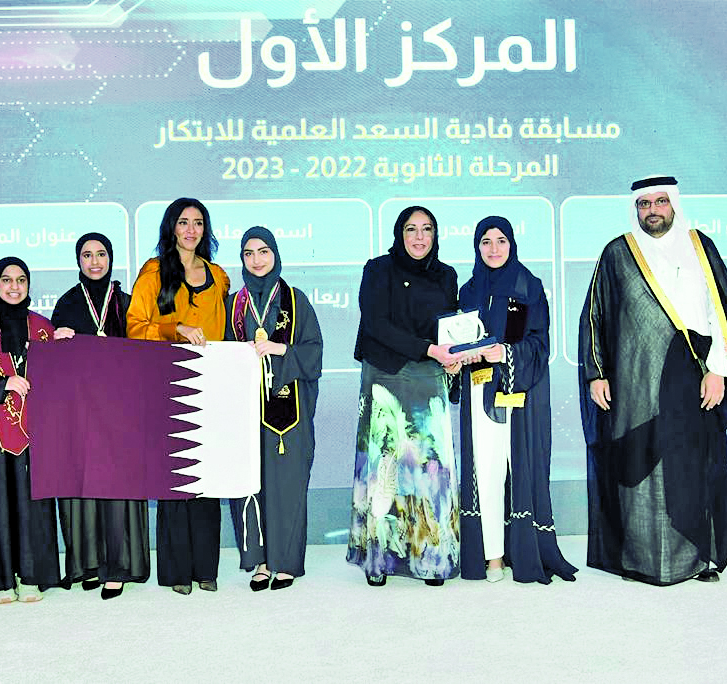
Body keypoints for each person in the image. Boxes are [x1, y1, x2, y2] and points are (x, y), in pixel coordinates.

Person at [579, 176, 727, 585]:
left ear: (673, 204)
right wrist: (597, 374)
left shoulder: (700, 247)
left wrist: (718, 370)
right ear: (636, 209)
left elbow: (722, 312)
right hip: (635, 381)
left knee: (693, 464)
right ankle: (640, 560)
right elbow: (595, 316)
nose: (652, 210)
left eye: (660, 202)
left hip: (694, 376)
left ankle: (698, 559)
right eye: (644, 204)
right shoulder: (618, 252)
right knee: (639, 463)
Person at [346, 205, 463, 587]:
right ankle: (379, 558)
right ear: (399, 234)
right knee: (385, 467)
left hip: (429, 379)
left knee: (430, 467)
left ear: (435, 235)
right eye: (411, 229)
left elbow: (448, 328)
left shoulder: (446, 275)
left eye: (427, 229)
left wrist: (455, 357)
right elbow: (375, 324)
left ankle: (431, 556)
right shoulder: (378, 269)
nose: (419, 237)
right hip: (385, 375)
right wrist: (430, 349)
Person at [456, 216, 577, 584]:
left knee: (517, 467)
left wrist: (505, 354)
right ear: (477, 247)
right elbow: (457, 338)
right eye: (486, 242)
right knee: (485, 469)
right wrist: (458, 357)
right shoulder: (468, 291)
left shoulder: (528, 286)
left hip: (518, 392)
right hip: (478, 389)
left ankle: (522, 551)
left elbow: (540, 344)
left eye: (501, 240)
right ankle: (492, 556)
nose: (494, 249)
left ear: (512, 244)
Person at [126, 198, 230, 595]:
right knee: (175, 477)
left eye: (198, 223)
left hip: (211, 384)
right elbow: (135, 327)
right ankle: (176, 572)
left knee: (206, 475)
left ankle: (206, 568)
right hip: (165, 383)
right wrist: (176, 329)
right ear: (171, 227)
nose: (191, 230)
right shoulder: (153, 273)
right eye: (184, 222)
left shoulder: (219, 277)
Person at [0, 256, 68, 603]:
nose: (14, 286)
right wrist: (2, 383)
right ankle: (1, 580)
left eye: (21, 280)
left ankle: (32, 576)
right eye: (6, 280)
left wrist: (68, 346)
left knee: (33, 502)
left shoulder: (44, 328)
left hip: (36, 430)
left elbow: (61, 380)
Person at [50, 232, 150, 600]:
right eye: (87, 255)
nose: (95, 262)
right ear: (78, 260)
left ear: (111, 258)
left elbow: (144, 354)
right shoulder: (66, 304)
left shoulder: (127, 303)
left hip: (121, 413)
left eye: (101, 254)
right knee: (85, 487)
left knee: (118, 488)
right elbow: (54, 366)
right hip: (81, 412)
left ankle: (117, 567)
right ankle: (89, 564)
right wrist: (56, 342)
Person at [225, 227, 323, 591]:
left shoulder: (296, 301)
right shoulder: (233, 306)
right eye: (248, 253)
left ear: (275, 254)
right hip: (247, 411)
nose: (257, 259)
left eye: (263, 251)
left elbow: (314, 353)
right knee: (252, 483)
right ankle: (261, 560)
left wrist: (281, 350)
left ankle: (286, 562)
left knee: (287, 484)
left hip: (288, 413)